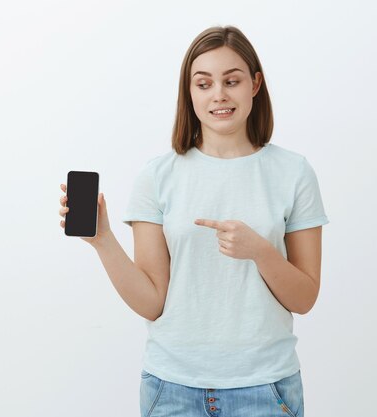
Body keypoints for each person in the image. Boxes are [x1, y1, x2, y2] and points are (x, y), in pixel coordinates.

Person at [58, 25, 329, 417]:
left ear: (255, 84)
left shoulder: (293, 173)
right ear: (190, 92)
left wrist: (261, 252)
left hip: (265, 388)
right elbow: (152, 303)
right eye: (204, 84)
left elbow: (304, 299)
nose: (219, 94)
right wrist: (103, 240)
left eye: (231, 81)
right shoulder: (157, 176)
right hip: (171, 390)